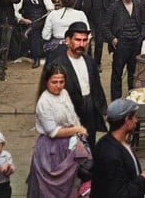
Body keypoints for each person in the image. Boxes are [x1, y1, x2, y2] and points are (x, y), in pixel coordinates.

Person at [27, 62, 86, 198]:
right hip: (51, 150)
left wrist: (79, 135)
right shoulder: (44, 102)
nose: (58, 86)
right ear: (46, 81)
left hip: (68, 145)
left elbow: (72, 115)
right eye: (54, 82)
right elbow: (53, 132)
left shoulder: (64, 93)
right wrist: (77, 129)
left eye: (61, 82)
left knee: (70, 185)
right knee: (51, 190)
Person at [50, 21, 107, 143]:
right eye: (77, 40)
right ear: (68, 41)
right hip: (70, 111)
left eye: (84, 40)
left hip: (89, 108)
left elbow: (97, 87)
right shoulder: (58, 64)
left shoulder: (90, 62)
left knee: (89, 142)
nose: (81, 44)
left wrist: (102, 109)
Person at [91, 98, 145, 198]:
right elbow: (120, 195)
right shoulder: (110, 154)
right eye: (134, 117)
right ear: (126, 120)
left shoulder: (120, 143)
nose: (136, 120)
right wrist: (143, 180)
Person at [104, 0, 145, 100]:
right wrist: (113, 39)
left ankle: (132, 99)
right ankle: (116, 102)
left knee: (133, 73)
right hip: (121, 44)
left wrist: (142, 36)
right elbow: (105, 26)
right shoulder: (114, 7)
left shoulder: (138, 4)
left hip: (136, 43)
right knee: (117, 73)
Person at [15, 0, 53, 68]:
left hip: (43, 19)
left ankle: (31, 29)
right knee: (35, 32)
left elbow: (50, 9)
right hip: (29, 20)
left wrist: (46, 18)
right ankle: (36, 58)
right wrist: (22, 19)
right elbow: (15, 11)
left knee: (36, 27)